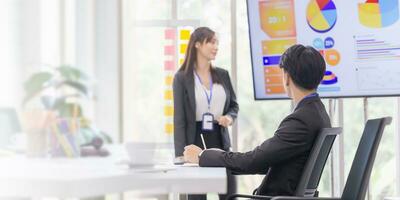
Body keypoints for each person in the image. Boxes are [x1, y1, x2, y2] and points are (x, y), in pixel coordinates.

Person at [183, 44, 331, 196]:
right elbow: (264, 161)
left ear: (287, 77)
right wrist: (220, 156)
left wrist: (202, 156)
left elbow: (253, 161)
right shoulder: (318, 113)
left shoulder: (301, 121)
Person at [173, 27, 239, 200]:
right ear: (197, 44)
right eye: (211, 42)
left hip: (219, 139)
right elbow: (179, 119)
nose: (215, 46)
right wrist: (181, 155)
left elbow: (234, 105)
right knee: (197, 196)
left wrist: (229, 118)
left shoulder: (222, 75)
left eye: (217, 42)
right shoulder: (181, 78)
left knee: (229, 193)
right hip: (194, 140)